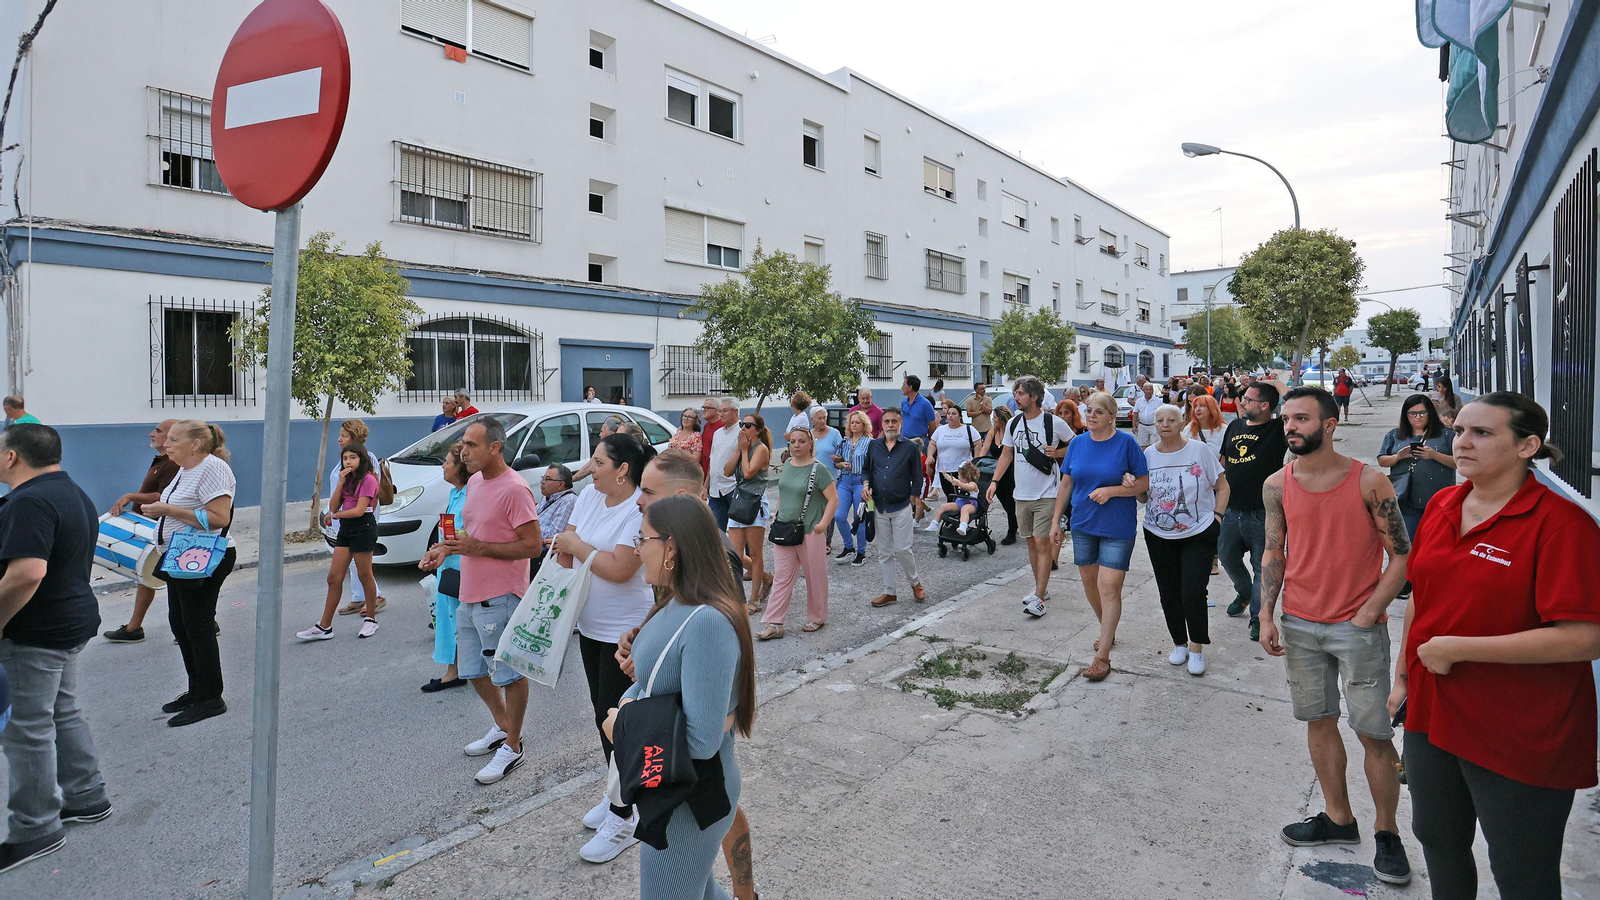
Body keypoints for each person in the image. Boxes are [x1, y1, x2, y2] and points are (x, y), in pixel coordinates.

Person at [1388, 392, 1600, 899]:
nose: (1461, 443)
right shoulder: (1444, 504)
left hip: (1520, 727)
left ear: (1528, 446)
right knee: (1438, 840)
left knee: (1521, 870)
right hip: (1432, 712)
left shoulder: (1562, 525)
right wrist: (1402, 677)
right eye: (1459, 430)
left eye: (1482, 433)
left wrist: (1459, 649)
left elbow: (1585, 637)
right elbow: (1421, 598)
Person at [1257, 387, 1412, 886]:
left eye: (1301, 418)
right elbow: (1274, 552)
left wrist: (1369, 612)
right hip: (1300, 624)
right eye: (1287, 419)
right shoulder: (1277, 484)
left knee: (1373, 732)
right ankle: (1338, 819)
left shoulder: (1369, 481)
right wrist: (1266, 613)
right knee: (1318, 721)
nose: (1290, 427)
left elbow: (1403, 555)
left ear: (1329, 424)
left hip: (1356, 627)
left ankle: (1387, 833)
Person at [620, 454, 758, 899]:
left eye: (644, 539)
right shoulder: (677, 599)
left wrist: (621, 722)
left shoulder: (707, 621)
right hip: (674, 791)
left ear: (673, 547)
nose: (637, 547)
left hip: (690, 797)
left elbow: (700, 740)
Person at [0, 424, 110, 872]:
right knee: (61, 711)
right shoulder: (71, 491)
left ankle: (36, 827)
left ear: (11, 458)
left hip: (37, 632)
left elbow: (27, 573)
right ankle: (87, 796)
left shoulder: (29, 501)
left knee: (28, 727)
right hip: (71, 622)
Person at [549, 434, 656, 863]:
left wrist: (579, 549)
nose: (589, 468)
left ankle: (624, 814)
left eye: (597, 461)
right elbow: (565, 548)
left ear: (622, 469)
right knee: (602, 716)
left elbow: (621, 567)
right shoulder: (590, 497)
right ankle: (617, 792)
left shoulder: (637, 510)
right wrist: (574, 552)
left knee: (621, 721)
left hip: (623, 631)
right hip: (589, 626)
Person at [418, 419, 542, 786]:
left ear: (495, 448)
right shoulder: (473, 482)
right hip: (469, 592)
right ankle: (503, 727)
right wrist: (445, 549)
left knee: (509, 674)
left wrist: (478, 548)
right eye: (463, 445)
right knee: (472, 671)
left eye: (471, 445)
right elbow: (474, 532)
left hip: (501, 596)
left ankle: (514, 746)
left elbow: (533, 546)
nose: (463, 452)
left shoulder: (516, 489)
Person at [141, 420, 238, 727]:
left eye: (173, 440)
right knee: (181, 623)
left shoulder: (213, 468)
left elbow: (219, 517)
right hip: (182, 555)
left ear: (195, 444)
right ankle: (197, 689)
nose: (166, 444)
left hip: (202, 555)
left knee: (198, 625)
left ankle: (211, 697)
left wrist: (168, 511)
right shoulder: (185, 469)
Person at [1048, 392, 1148, 681]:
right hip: (1082, 524)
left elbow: (1143, 485)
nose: (1091, 416)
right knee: (1090, 585)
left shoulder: (1126, 443)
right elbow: (1066, 484)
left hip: (1117, 526)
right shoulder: (1078, 444)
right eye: (1089, 410)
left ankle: (1102, 657)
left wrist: (1113, 490)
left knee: (1108, 587)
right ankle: (1108, 632)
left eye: (1099, 412)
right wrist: (1056, 522)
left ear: (1111, 416)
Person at [1138, 405, 1228, 676]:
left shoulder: (1199, 451)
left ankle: (1197, 647)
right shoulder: (1147, 455)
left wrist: (1217, 519)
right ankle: (1179, 644)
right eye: (1160, 420)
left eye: (1171, 420)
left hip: (1198, 532)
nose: (1165, 424)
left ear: (1181, 422)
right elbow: (1144, 497)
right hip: (1157, 533)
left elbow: (1223, 486)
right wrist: (1132, 485)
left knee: (1193, 591)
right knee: (1169, 592)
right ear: (1154, 425)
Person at [987, 376, 1070, 619]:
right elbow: (1006, 455)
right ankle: (1039, 587)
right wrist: (994, 481)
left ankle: (1040, 597)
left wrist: (1059, 452)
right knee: (1031, 543)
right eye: (1015, 393)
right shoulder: (1013, 423)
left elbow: (1077, 445)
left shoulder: (1053, 422)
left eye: (1021, 393)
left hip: (1048, 492)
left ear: (1034, 396)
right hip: (1021, 494)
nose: (1016, 397)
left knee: (1043, 543)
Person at [1220, 381, 1287, 643]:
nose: (1242, 402)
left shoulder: (1277, 428)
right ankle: (1244, 592)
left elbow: (1293, 404)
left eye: (1248, 399)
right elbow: (1224, 462)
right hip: (1231, 509)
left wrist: (1277, 384)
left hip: (1263, 512)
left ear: (1265, 405)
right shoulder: (1235, 426)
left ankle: (1259, 618)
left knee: (1263, 567)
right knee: (1226, 557)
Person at [102, 419, 181, 643]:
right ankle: (134, 628)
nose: (151, 434)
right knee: (146, 574)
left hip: (166, 530)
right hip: (153, 531)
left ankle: (199, 623)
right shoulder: (162, 461)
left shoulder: (173, 464)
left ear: (172, 437)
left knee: (175, 579)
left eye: (158, 431)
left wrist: (130, 496)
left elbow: (163, 497)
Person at [757, 427, 839, 640]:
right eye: (793, 442)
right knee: (782, 578)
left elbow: (833, 499)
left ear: (810, 443)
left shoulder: (818, 470)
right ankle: (774, 623)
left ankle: (818, 617)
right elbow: (785, 492)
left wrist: (822, 525)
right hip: (785, 529)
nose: (796, 446)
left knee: (815, 576)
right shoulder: (787, 465)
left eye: (801, 441)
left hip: (810, 530)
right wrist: (776, 514)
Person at [298, 444, 383, 640]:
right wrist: (340, 484)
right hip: (347, 528)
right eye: (345, 458)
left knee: (364, 574)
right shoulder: (346, 480)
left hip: (363, 526)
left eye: (353, 457)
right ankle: (324, 626)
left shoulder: (369, 479)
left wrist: (335, 515)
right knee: (334, 577)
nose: (348, 461)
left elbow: (359, 510)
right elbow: (334, 504)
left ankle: (371, 619)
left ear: (362, 459)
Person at [1377, 395, 1456, 599]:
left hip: (1438, 499)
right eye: (1413, 413)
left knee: (1437, 544)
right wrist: (1398, 457)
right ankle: (1406, 581)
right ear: (1406, 415)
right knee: (1407, 544)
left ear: (1431, 412)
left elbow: (1459, 462)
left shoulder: (1447, 435)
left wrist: (1434, 455)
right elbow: (1383, 461)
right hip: (1407, 498)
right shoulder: (1395, 435)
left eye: (1422, 412)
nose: (1418, 417)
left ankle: (1434, 582)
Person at [864, 408, 926, 608]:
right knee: (884, 552)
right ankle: (889, 592)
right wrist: (866, 486)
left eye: (894, 421)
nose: (890, 425)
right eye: (887, 421)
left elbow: (917, 477)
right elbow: (866, 469)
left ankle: (915, 583)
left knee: (902, 549)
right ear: (882, 424)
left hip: (901, 506)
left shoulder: (909, 447)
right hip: (879, 506)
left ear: (901, 424)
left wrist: (913, 499)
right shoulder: (874, 446)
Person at [420, 444, 470, 693]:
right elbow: (452, 530)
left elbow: (467, 533)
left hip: (461, 567)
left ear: (459, 468)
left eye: (447, 462)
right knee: (448, 620)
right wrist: (436, 549)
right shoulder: (455, 493)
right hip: (447, 564)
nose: (443, 466)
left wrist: (443, 548)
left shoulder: (472, 494)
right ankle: (454, 671)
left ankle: (465, 670)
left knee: (460, 620)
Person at [331, 421, 385, 618]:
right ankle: (358, 597)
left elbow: (373, 489)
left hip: (359, 518)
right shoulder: (344, 459)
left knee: (360, 566)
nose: (339, 438)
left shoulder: (365, 457)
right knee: (351, 566)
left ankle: (374, 598)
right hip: (343, 518)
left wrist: (366, 515)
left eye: (344, 435)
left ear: (354, 437)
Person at [725, 414, 774, 611]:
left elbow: (747, 473)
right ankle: (764, 579)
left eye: (747, 425)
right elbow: (727, 471)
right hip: (739, 502)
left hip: (754, 502)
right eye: (741, 424)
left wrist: (744, 451)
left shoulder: (760, 449)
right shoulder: (742, 447)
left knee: (755, 553)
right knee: (734, 554)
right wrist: (739, 450)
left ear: (758, 429)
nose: (743, 428)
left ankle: (754, 599)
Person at [926, 405, 981, 531]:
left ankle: (961, 521)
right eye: (949, 413)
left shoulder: (968, 429)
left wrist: (976, 460)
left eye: (954, 413)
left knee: (963, 495)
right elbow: (932, 443)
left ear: (960, 416)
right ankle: (952, 521)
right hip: (944, 470)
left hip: (962, 471)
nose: (950, 415)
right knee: (950, 496)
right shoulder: (941, 430)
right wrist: (930, 455)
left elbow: (978, 443)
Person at [832, 411, 874, 567]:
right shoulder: (844, 442)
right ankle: (849, 546)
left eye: (857, 422)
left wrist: (869, 485)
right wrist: (840, 463)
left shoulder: (870, 442)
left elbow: (872, 465)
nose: (854, 425)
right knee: (839, 515)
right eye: (852, 422)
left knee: (859, 518)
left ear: (864, 424)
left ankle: (861, 552)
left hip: (860, 481)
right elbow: (836, 463)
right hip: (844, 480)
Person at [534, 464, 578, 573]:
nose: (542, 482)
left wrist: (528, 528)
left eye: (547, 479)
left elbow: (554, 534)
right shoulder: (547, 496)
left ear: (560, 484)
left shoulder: (569, 501)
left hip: (543, 556)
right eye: (543, 478)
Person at [706, 399, 742, 529]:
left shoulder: (742, 432)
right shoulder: (718, 433)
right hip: (716, 490)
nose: (721, 414)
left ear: (735, 411)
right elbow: (713, 460)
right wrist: (706, 486)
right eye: (719, 411)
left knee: (739, 530)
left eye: (724, 411)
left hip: (733, 487)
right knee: (715, 531)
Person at [985, 406, 1019, 545]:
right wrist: (977, 463)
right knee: (1004, 502)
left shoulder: (1012, 431)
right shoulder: (992, 431)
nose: (992, 420)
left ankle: (1012, 532)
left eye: (994, 417)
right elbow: (985, 448)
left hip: (1012, 470)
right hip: (997, 471)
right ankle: (1016, 523)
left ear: (1001, 418)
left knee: (1011, 502)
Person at [931, 461, 983, 535]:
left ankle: (963, 526)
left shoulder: (972, 484)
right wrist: (945, 475)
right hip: (960, 502)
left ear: (965, 477)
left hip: (971, 504)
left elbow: (969, 487)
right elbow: (952, 479)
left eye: (959, 475)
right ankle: (935, 523)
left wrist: (959, 483)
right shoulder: (960, 482)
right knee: (944, 506)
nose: (958, 476)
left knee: (965, 509)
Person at [899, 375, 938, 447]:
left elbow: (932, 425)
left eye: (904, 385)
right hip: (904, 440)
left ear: (910, 387)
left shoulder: (925, 404)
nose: (902, 387)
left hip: (919, 442)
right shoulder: (904, 402)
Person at [697, 397, 724, 476]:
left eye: (707, 408)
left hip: (715, 472)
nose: (704, 410)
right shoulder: (707, 425)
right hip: (704, 471)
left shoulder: (722, 426)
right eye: (703, 407)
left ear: (716, 411)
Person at [1132, 383, 1162, 448]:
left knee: (1155, 445)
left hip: (1153, 425)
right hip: (1142, 425)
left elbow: (1162, 414)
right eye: (1147, 389)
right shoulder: (1139, 401)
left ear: (1153, 390)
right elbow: (1135, 413)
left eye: (1150, 390)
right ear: (1143, 390)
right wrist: (1134, 426)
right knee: (1143, 445)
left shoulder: (1158, 401)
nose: (1148, 391)